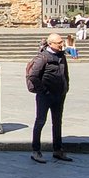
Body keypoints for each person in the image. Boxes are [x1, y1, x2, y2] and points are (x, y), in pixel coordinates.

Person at [27, 33, 71, 164]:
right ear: (50, 44)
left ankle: (58, 150)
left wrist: (66, 87)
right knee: (40, 121)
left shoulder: (61, 56)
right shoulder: (42, 57)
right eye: (59, 43)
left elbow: (65, 73)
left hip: (59, 94)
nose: (62, 45)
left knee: (57, 122)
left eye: (62, 42)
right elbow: (33, 76)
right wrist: (44, 91)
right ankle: (36, 151)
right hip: (45, 96)